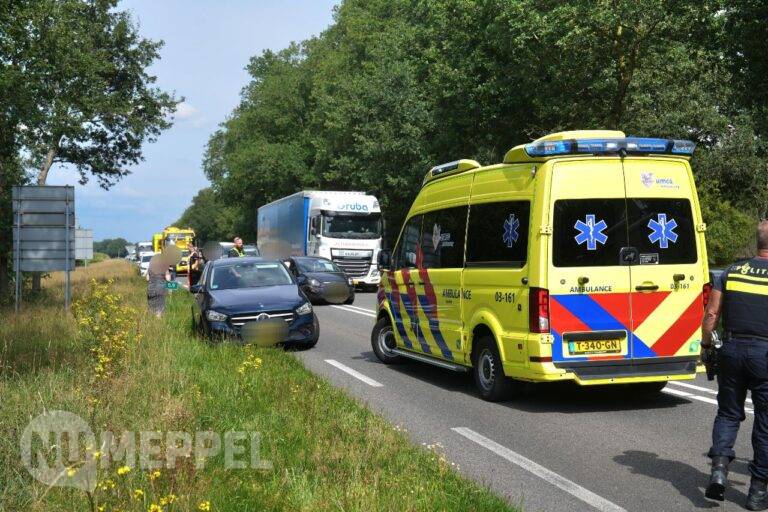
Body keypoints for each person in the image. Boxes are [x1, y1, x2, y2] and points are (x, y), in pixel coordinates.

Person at [705, 221, 768, 510]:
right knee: (765, 424)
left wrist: (707, 348)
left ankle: (719, 470)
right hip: (764, 355)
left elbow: (712, 313)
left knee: (729, 413)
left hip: (731, 350)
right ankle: (756, 493)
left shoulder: (732, 271)